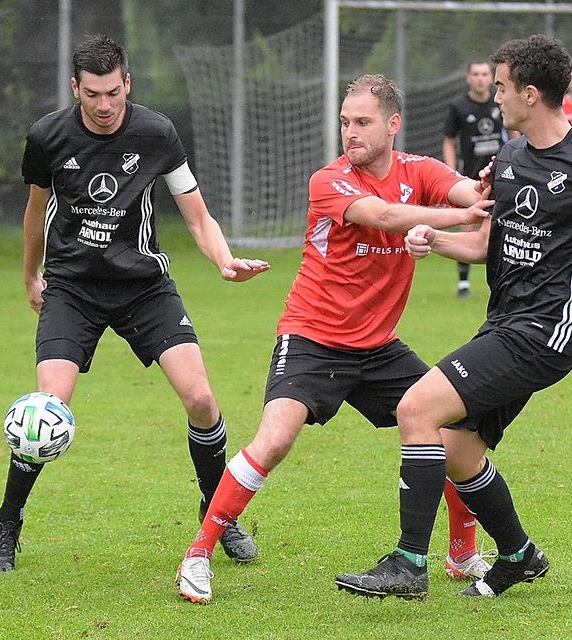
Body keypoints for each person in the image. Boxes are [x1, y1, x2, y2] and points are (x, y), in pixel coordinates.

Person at [335, 34, 572, 600]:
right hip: (504, 323)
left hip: (544, 332)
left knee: (414, 406)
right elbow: (483, 245)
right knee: (456, 446)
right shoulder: (509, 160)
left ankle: (408, 564)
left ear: (531, 94)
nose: (496, 101)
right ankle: (519, 556)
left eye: (502, 89)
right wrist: (433, 239)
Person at [176, 74, 499, 604]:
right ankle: (199, 552)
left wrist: (493, 184)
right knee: (275, 440)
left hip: (378, 347)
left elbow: (471, 192)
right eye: (346, 122)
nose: (350, 131)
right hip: (312, 337)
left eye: (362, 122)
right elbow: (386, 217)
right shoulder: (330, 180)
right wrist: (458, 216)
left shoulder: (421, 170)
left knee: (455, 431)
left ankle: (462, 552)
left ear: (393, 124)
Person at [0, 35, 270, 573]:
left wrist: (224, 261)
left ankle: (218, 517)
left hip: (143, 286)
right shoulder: (46, 137)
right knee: (45, 413)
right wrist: (30, 276)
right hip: (72, 288)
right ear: (76, 89)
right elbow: (33, 214)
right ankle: (8, 521)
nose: (105, 104)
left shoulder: (157, 133)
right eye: (93, 94)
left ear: (127, 83)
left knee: (202, 400)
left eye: (114, 92)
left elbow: (197, 215)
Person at [443, 61, 509, 298]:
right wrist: (452, 172)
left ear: (490, 77)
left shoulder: (500, 101)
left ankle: (503, 278)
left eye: (484, 74)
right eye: (476, 74)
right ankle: (463, 283)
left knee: (503, 226)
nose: (480, 78)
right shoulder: (458, 106)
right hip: (471, 176)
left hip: (502, 175)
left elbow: (513, 133)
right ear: (468, 78)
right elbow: (449, 140)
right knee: (469, 224)